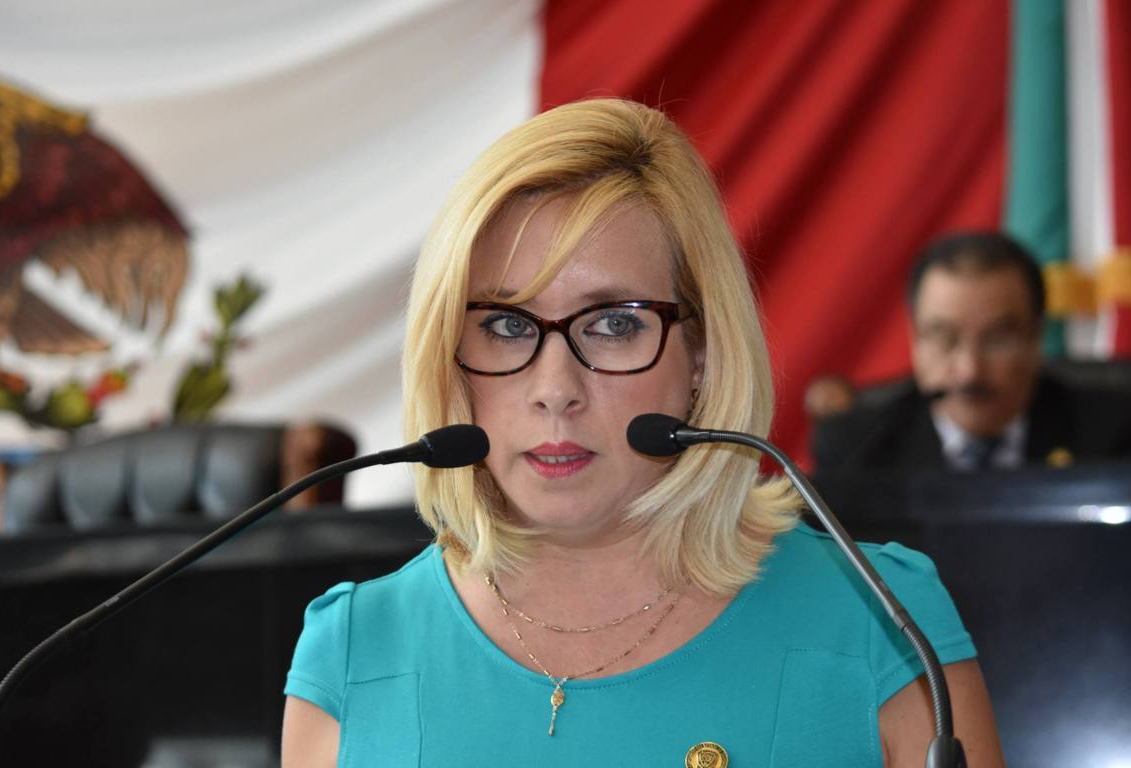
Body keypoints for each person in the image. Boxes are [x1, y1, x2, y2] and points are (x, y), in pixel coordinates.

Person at [281, 100, 1005, 766]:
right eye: (505, 325)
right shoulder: (352, 653)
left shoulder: (884, 626)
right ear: (447, 353)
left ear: (703, 353)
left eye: (613, 323)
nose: (555, 389)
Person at [814, 231, 1131, 471]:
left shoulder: (1113, 433)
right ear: (915, 339)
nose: (970, 371)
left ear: (1036, 337)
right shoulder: (857, 448)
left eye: (996, 340)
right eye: (945, 338)